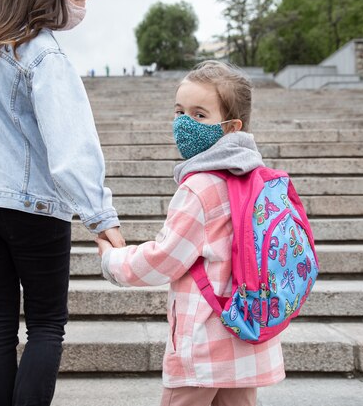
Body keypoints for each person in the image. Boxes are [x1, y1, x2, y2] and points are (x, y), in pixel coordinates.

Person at [0, 0, 125, 405]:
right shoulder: (43, 53)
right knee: (45, 325)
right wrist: (100, 216)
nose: (83, 6)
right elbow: (71, 143)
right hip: (31, 205)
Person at [96, 61, 285, 406]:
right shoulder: (258, 181)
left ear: (231, 127)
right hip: (247, 335)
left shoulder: (200, 187)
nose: (184, 122)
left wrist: (113, 260)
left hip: (205, 344)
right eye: (179, 111)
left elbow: (165, 258)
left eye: (199, 115)